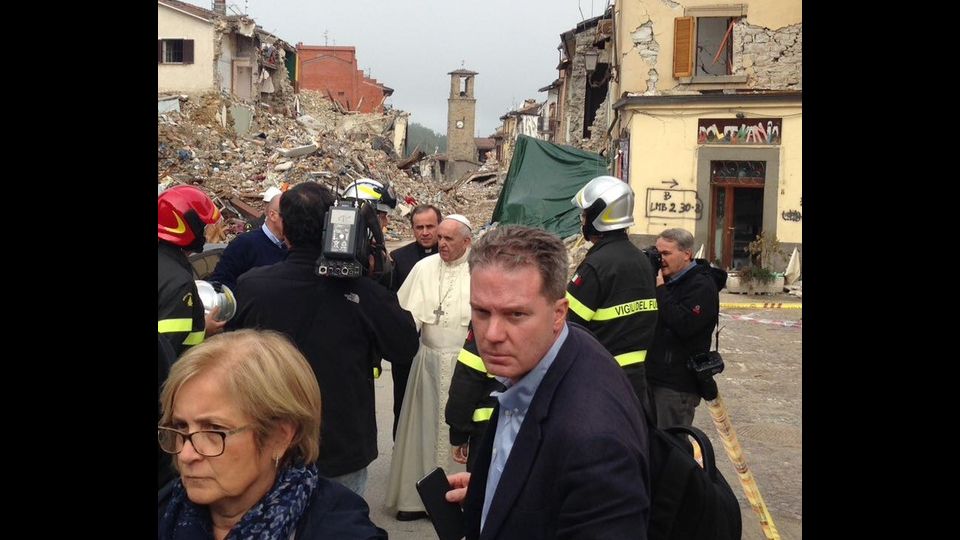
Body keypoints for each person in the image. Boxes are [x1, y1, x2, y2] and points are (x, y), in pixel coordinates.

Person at [445, 225, 650, 540]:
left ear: (559, 313)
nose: (492, 335)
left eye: (516, 315)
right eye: (481, 312)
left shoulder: (596, 446)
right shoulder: (556, 351)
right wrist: (499, 490)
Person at [228, 181, 419, 497]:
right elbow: (404, 346)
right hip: (341, 451)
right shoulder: (362, 292)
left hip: (269, 446)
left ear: (284, 229)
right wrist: (376, 277)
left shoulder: (251, 287)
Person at [158, 329, 387, 540]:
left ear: (280, 437)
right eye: (180, 428)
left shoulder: (339, 529)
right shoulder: (167, 509)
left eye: (214, 431)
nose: (186, 455)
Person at [386, 214, 473, 521]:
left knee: (461, 433)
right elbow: (404, 317)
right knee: (421, 429)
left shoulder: (479, 270)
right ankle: (416, 500)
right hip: (428, 362)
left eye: (450, 239)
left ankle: (461, 501)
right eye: (441, 238)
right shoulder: (424, 268)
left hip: (466, 366)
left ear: (467, 241)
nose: (442, 244)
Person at [566, 175, 658, 408]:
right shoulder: (641, 260)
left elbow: (565, 324)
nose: (583, 219)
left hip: (600, 377)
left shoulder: (597, 265)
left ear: (599, 215)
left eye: (586, 213)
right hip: (636, 380)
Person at [647, 227, 727, 428]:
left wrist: (660, 290)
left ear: (687, 254)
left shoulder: (701, 285)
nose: (660, 259)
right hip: (654, 378)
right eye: (658, 254)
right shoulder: (668, 281)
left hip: (677, 385)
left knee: (671, 449)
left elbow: (684, 325)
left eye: (666, 253)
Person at [388, 204, 442, 438]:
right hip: (408, 347)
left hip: (441, 347)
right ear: (412, 229)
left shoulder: (451, 254)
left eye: (430, 226)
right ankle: (401, 449)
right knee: (404, 402)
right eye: (419, 227)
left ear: (439, 225)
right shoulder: (399, 259)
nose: (425, 232)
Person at [158, 185, 226, 358]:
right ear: (191, 228)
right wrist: (204, 329)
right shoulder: (179, 283)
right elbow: (165, 351)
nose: (206, 232)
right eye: (203, 227)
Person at [444, 321, 506, 472]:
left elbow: (466, 383)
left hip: (488, 433)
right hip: (535, 431)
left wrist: (458, 434)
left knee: (482, 489)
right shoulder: (548, 318)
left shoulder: (489, 323)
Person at [207, 187, 287, 291]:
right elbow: (219, 283)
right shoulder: (243, 245)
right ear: (273, 215)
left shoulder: (293, 246)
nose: (294, 220)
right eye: (289, 215)